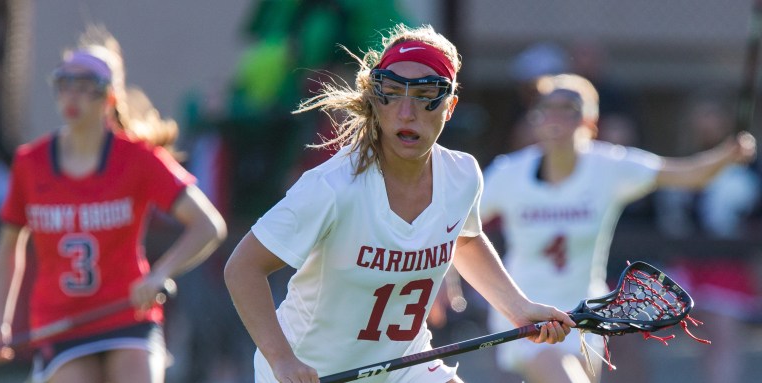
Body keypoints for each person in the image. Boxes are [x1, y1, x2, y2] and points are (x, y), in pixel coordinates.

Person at [224, 23, 575, 383]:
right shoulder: (332, 187)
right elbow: (243, 269)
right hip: (313, 373)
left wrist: (519, 309)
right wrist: (282, 360)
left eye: (425, 95)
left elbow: (464, 239)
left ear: (450, 106)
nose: (406, 113)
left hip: (405, 365)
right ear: (376, 102)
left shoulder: (462, 175)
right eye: (392, 93)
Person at [480, 74, 756, 383]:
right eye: (547, 107)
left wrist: (727, 155)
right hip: (528, 315)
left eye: (569, 107)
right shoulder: (508, 173)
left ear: (590, 121)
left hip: (585, 316)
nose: (556, 116)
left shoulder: (609, 167)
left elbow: (690, 174)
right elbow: (460, 226)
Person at [0, 26, 227, 383]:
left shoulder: (139, 159)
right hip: (60, 325)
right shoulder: (30, 163)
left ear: (110, 97)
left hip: (127, 318)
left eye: (86, 85)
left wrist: (160, 273)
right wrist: (0, 321)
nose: (73, 95)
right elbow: (10, 247)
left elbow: (208, 225)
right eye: (65, 82)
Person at [653, 95, 761, 383]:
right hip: (685, 261)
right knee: (693, 337)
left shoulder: (749, 169)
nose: (705, 124)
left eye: (711, 116)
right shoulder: (683, 162)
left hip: (727, 261)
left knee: (723, 335)